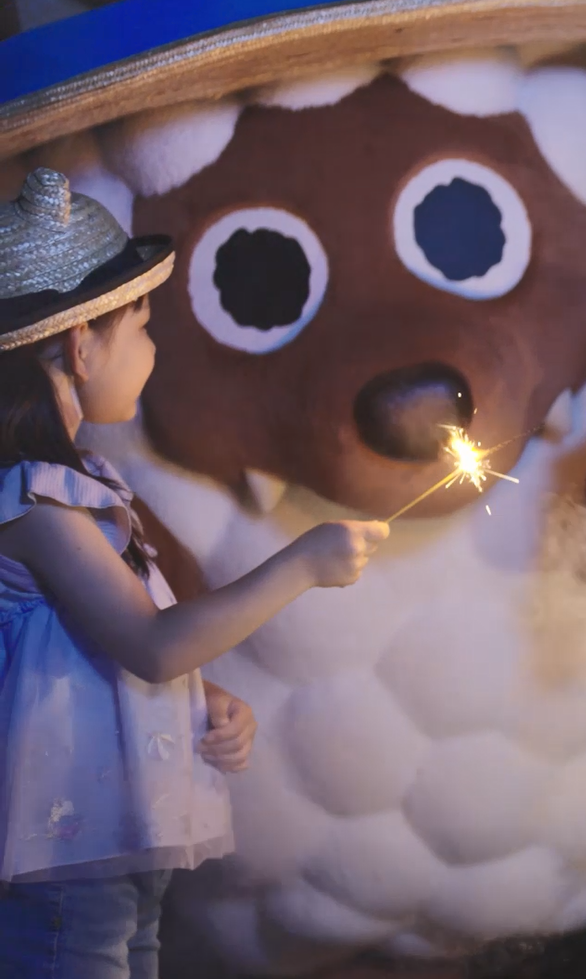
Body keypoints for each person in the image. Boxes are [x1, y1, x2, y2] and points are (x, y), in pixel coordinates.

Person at [0, 168, 387, 979]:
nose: (152, 347)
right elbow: (148, 642)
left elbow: (100, 638)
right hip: (67, 844)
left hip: (117, 836)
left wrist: (202, 697)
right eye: (142, 325)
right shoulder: (34, 501)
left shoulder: (82, 484)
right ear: (81, 343)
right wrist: (302, 563)